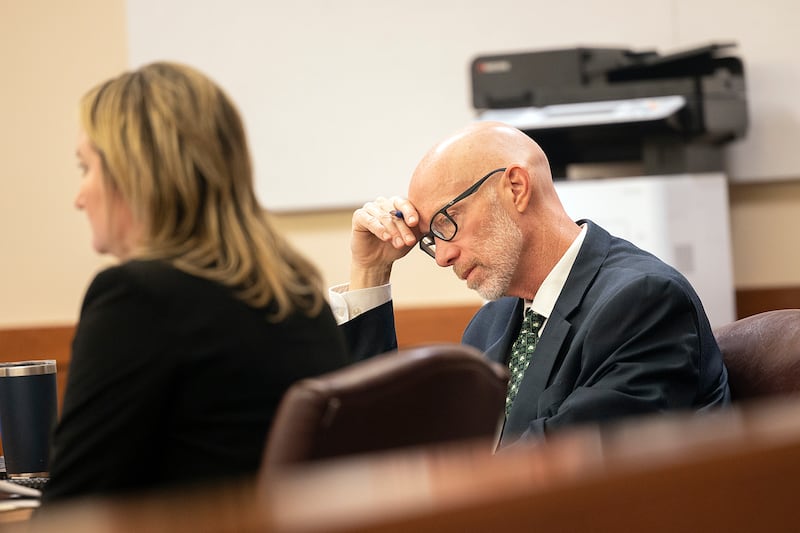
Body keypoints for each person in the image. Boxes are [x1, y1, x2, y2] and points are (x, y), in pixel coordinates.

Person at [41, 62, 349, 504]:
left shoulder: (135, 299)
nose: (79, 196)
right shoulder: (298, 294)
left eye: (84, 167)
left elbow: (69, 513)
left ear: (131, 174)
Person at [331, 121, 730, 447]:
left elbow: (559, 466)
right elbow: (405, 446)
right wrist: (370, 271)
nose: (442, 256)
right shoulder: (491, 322)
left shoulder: (643, 302)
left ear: (516, 188)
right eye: (432, 238)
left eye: (447, 223)